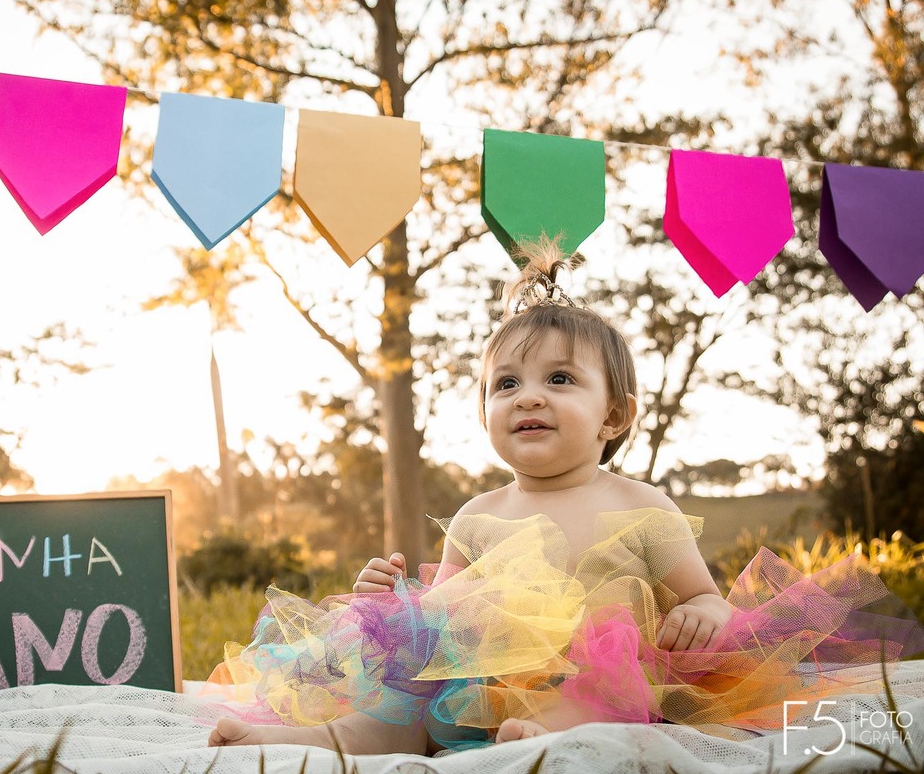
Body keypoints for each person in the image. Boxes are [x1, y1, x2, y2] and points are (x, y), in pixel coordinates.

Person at [207, 241, 924, 755]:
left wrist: (700, 617)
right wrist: (394, 601)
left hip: (606, 678)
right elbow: (442, 616)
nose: (528, 398)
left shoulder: (642, 506)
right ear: (485, 411)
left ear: (614, 416)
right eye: (506, 385)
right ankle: (324, 739)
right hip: (476, 684)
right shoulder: (478, 515)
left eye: (559, 380)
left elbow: (705, 598)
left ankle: (549, 739)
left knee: (595, 695)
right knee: (402, 703)